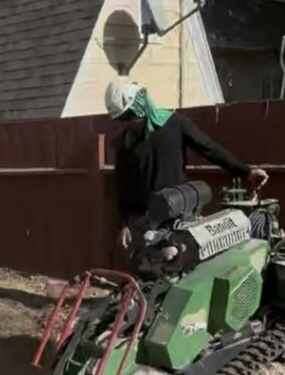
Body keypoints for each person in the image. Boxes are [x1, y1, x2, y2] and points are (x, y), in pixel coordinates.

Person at [106, 79, 269, 249]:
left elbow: (209, 149)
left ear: (141, 106)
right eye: (123, 119)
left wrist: (246, 172)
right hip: (143, 221)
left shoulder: (175, 124)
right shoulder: (125, 143)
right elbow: (123, 187)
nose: (129, 122)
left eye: (130, 116)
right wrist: (123, 225)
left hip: (178, 215)